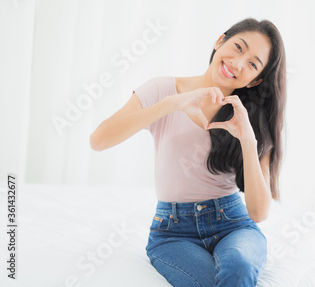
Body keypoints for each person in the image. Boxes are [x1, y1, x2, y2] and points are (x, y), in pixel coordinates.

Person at [89, 17, 287, 286]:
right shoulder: (163, 90)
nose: (238, 64)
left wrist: (248, 141)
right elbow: (99, 140)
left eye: (252, 64)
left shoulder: (252, 118)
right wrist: (174, 103)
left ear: (255, 80)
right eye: (239, 47)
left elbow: (259, 213)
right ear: (220, 41)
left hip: (233, 225)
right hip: (172, 231)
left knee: (238, 267)